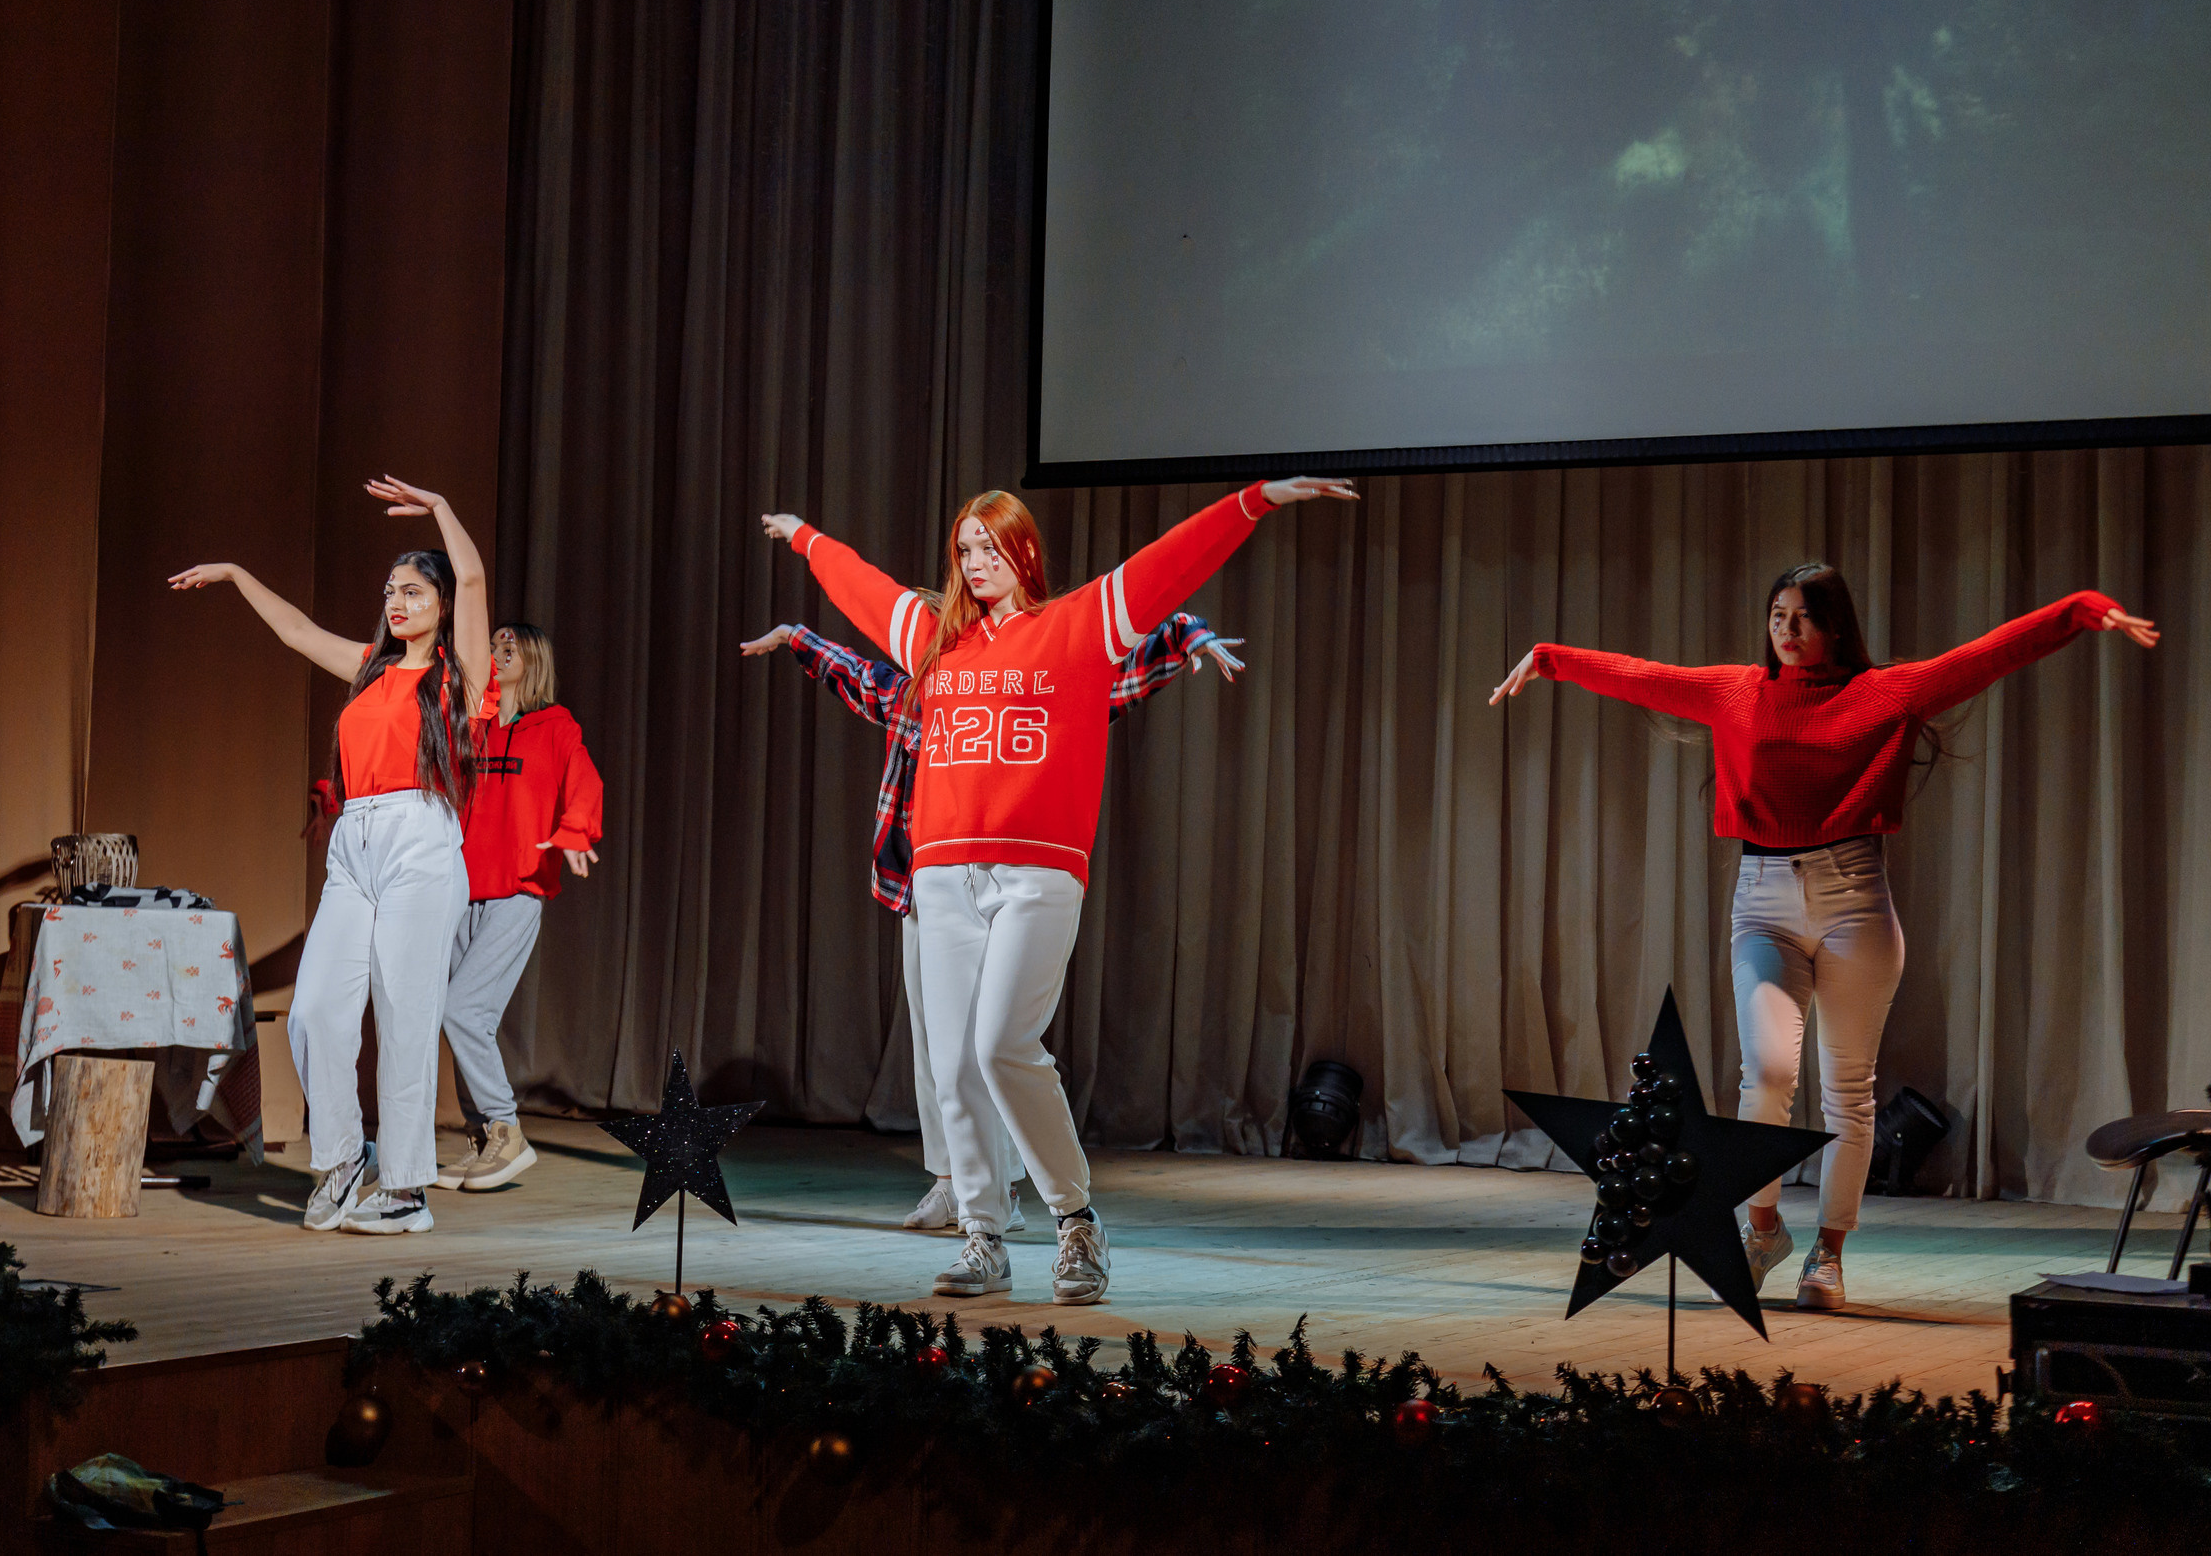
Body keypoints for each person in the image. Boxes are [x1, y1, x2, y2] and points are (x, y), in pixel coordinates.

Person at [1490, 565, 2157, 1309]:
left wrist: (2079, 610)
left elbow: (1983, 657)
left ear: (1835, 626)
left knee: (1848, 1091)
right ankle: (1764, 1228)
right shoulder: (1737, 691)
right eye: (1777, 614)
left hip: (1854, 901)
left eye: (1802, 616)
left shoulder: (1886, 693)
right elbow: (1646, 677)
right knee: (1768, 1072)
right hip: (1763, 902)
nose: (1786, 629)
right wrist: (1550, 657)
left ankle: (1829, 1253)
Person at [761, 477, 1355, 1304]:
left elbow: (1168, 565)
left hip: (1037, 872)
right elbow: (863, 588)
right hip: (942, 872)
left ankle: (1076, 1218)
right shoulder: (934, 640)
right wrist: (805, 537)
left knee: (1003, 1043)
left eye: (989, 546)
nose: (975, 562)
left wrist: (1254, 500)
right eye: (964, 550)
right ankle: (983, 1235)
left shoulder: (1076, 626)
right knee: (953, 1063)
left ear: (1025, 550)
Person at [740, 604, 1245, 1235]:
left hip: (1006, 878)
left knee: (996, 1044)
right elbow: (857, 675)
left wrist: (1182, 637)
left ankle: (1009, 1192)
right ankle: (952, 1182)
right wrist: (795, 637)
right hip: (929, 885)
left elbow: (1111, 683)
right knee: (940, 1047)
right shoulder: (917, 698)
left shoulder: (1023, 690)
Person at [168, 477, 493, 1236]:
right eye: (390, 591)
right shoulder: (369, 667)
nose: (396, 602)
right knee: (314, 1010)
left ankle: (406, 1192)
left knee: (405, 1017)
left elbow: (474, 577)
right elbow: (294, 631)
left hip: (421, 839)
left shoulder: (459, 677)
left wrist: (442, 509)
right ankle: (345, 1158)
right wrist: (237, 574)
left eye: (413, 591)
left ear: (442, 605)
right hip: (355, 844)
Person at [435, 622, 604, 1192]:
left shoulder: (555, 727)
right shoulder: (472, 727)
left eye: (510, 647)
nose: (497, 653)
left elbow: (585, 783)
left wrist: (575, 831)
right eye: (493, 646)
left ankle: (507, 1130)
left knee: (464, 1012)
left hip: (517, 891)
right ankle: (483, 1137)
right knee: (454, 1019)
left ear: (534, 661)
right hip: (461, 891)